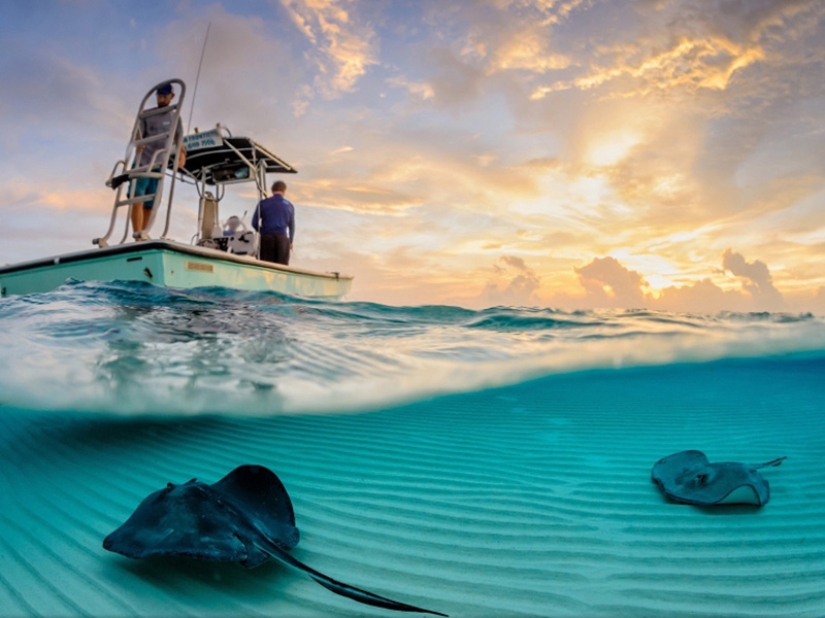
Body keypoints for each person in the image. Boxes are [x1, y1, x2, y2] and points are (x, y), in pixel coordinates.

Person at [130, 82, 186, 237]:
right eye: (159, 96)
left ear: (172, 96)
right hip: (142, 163)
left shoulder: (174, 116)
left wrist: (182, 154)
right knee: (136, 198)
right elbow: (137, 133)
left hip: (159, 164)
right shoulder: (147, 114)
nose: (161, 99)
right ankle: (137, 237)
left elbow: (179, 138)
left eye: (164, 96)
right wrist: (138, 142)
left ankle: (143, 233)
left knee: (151, 204)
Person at [252, 181, 295, 265]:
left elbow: (254, 222)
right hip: (282, 239)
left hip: (267, 238)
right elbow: (292, 226)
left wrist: (262, 231)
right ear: (284, 190)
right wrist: (290, 241)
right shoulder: (289, 205)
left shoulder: (263, 203)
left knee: (267, 267)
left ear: (272, 190)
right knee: (282, 269)